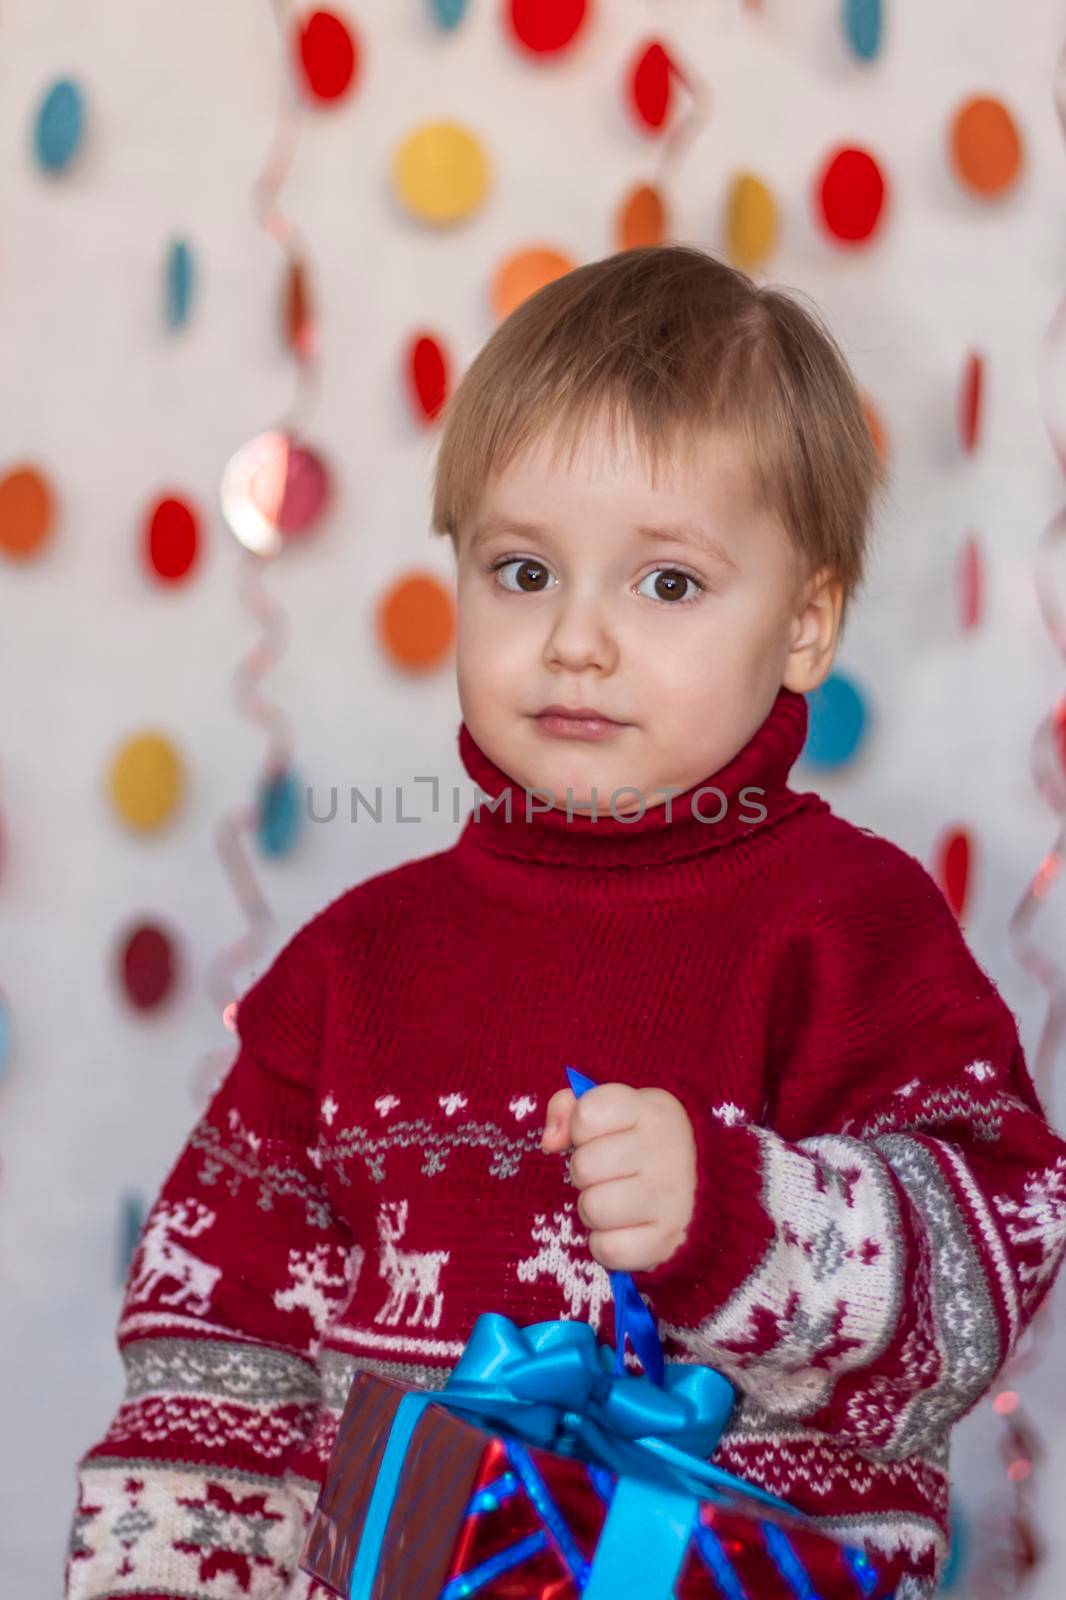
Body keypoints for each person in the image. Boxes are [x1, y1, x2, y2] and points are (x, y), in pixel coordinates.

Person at [65, 244, 1066, 1600]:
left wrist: (737, 1215)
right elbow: (215, 1364)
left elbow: (993, 1259)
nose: (575, 641)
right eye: (523, 572)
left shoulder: (848, 929)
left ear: (805, 625)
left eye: (665, 584)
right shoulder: (351, 968)